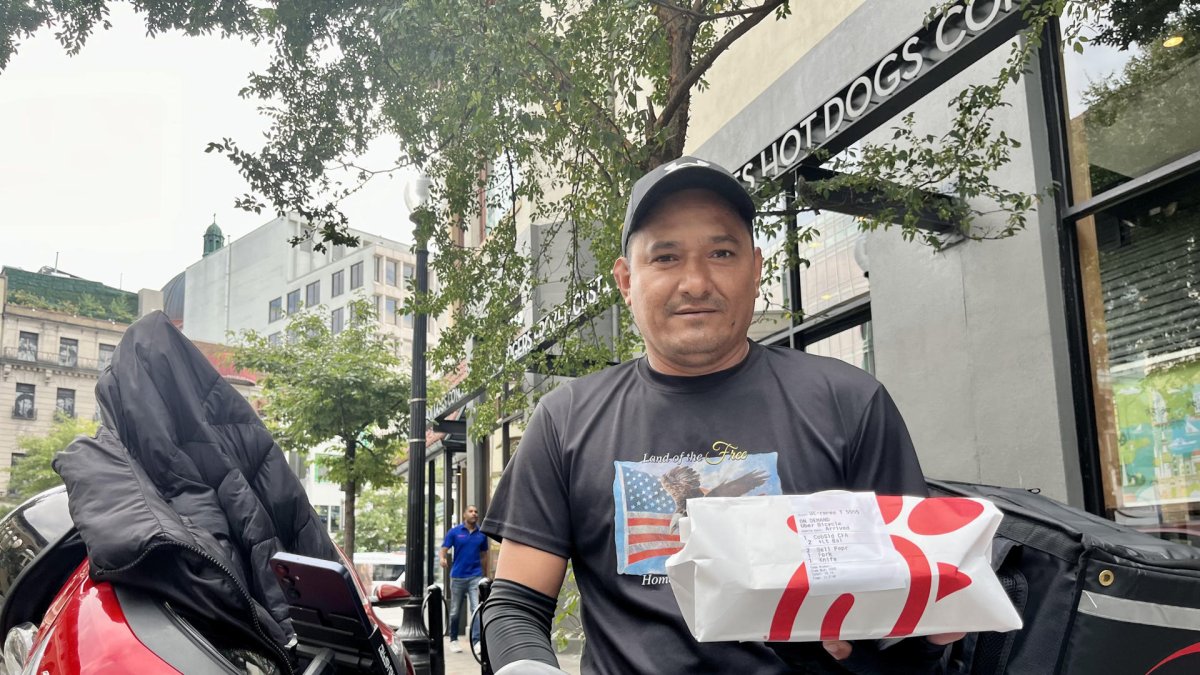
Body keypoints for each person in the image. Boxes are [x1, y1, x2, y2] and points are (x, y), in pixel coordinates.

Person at [481, 157, 965, 675]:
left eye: (721, 252)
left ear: (756, 269)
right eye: (665, 257)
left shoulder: (849, 402)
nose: (695, 281)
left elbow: (915, 607)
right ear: (626, 280)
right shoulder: (565, 419)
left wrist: (922, 633)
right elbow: (516, 605)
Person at [441, 504, 489, 654]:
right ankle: (453, 640)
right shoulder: (455, 532)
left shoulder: (482, 533)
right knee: (455, 611)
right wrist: (442, 559)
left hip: (475, 576)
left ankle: (476, 642)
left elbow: (484, 555)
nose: (474, 513)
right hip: (458, 577)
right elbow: (444, 550)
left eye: (476, 511)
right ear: (464, 515)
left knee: (476, 609)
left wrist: (484, 574)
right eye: (471, 511)